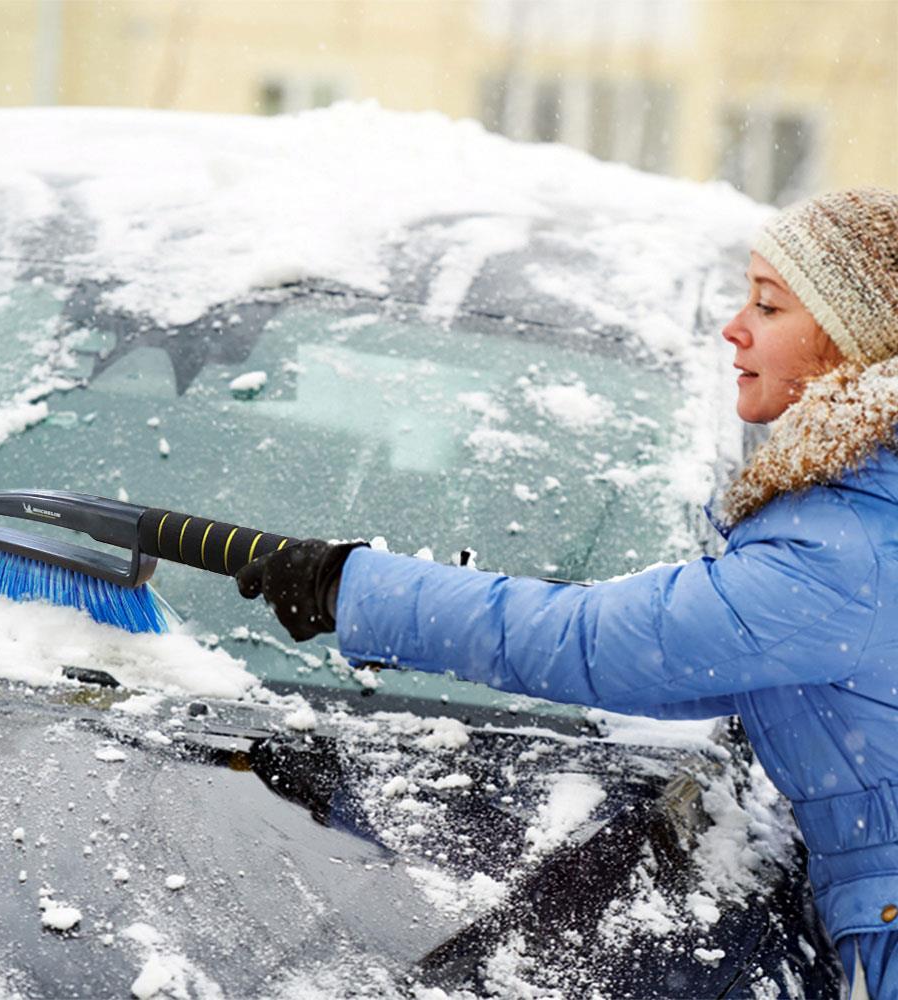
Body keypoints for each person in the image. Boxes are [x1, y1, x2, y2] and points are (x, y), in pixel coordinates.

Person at [237, 188, 898, 999]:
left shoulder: (847, 548)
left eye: (768, 304)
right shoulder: (862, 512)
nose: (734, 326)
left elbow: (602, 646)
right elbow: (679, 648)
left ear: (854, 345)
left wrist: (351, 587)